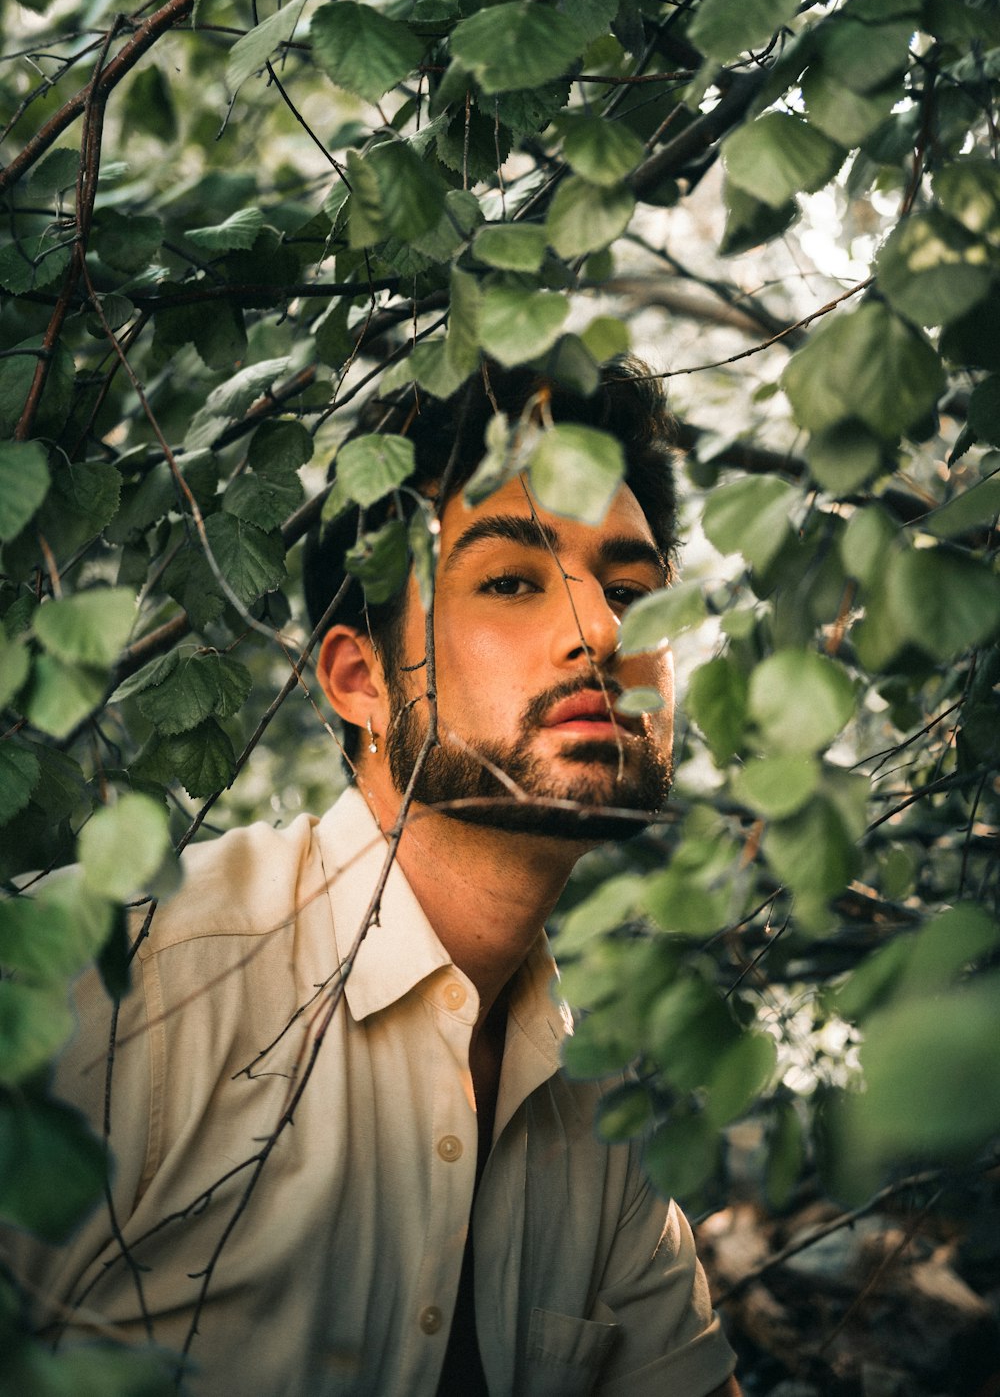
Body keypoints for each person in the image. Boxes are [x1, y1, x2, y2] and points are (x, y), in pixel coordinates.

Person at [7, 362, 741, 1395]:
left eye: (629, 591)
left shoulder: (603, 1111)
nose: (602, 632)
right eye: (511, 582)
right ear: (359, 680)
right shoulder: (114, 988)